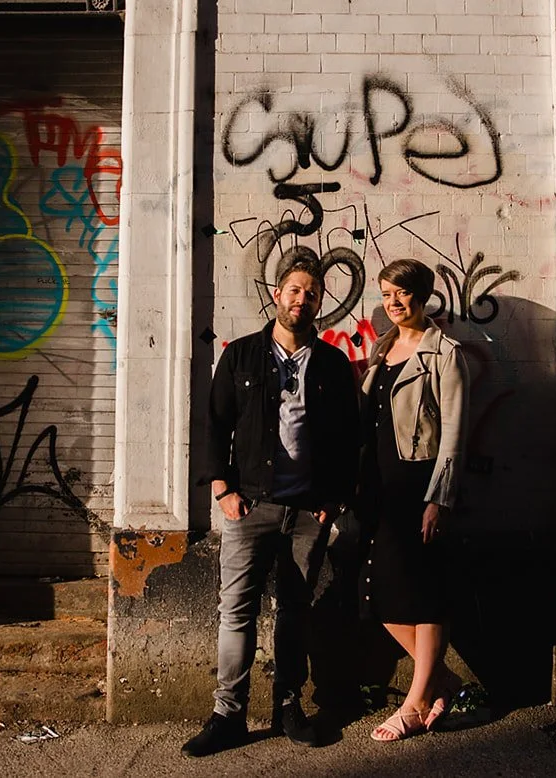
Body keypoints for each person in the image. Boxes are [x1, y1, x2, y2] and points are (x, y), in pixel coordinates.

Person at [181, 252, 361, 757]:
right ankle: (228, 716)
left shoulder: (332, 364)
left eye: (312, 293)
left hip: (308, 511)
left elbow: (348, 440)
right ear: (277, 294)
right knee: (236, 610)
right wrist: (223, 490)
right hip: (250, 506)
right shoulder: (240, 355)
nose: (303, 299)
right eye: (295, 289)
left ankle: (287, 707)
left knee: (295, 610)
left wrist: (334, 500)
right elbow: (214, 425)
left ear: (320, 302)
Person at [357, 258, 469, 742]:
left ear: (421, 295)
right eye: (386, 294)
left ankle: (418, 702)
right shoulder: (381, 348)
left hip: (419, 485)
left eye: (401, 293)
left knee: (423, 591)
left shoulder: (444, 353)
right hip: (378, 487)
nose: (393, 302)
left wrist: (439, 499)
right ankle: (442, 681)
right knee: (380, 593)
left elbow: (455, 433)